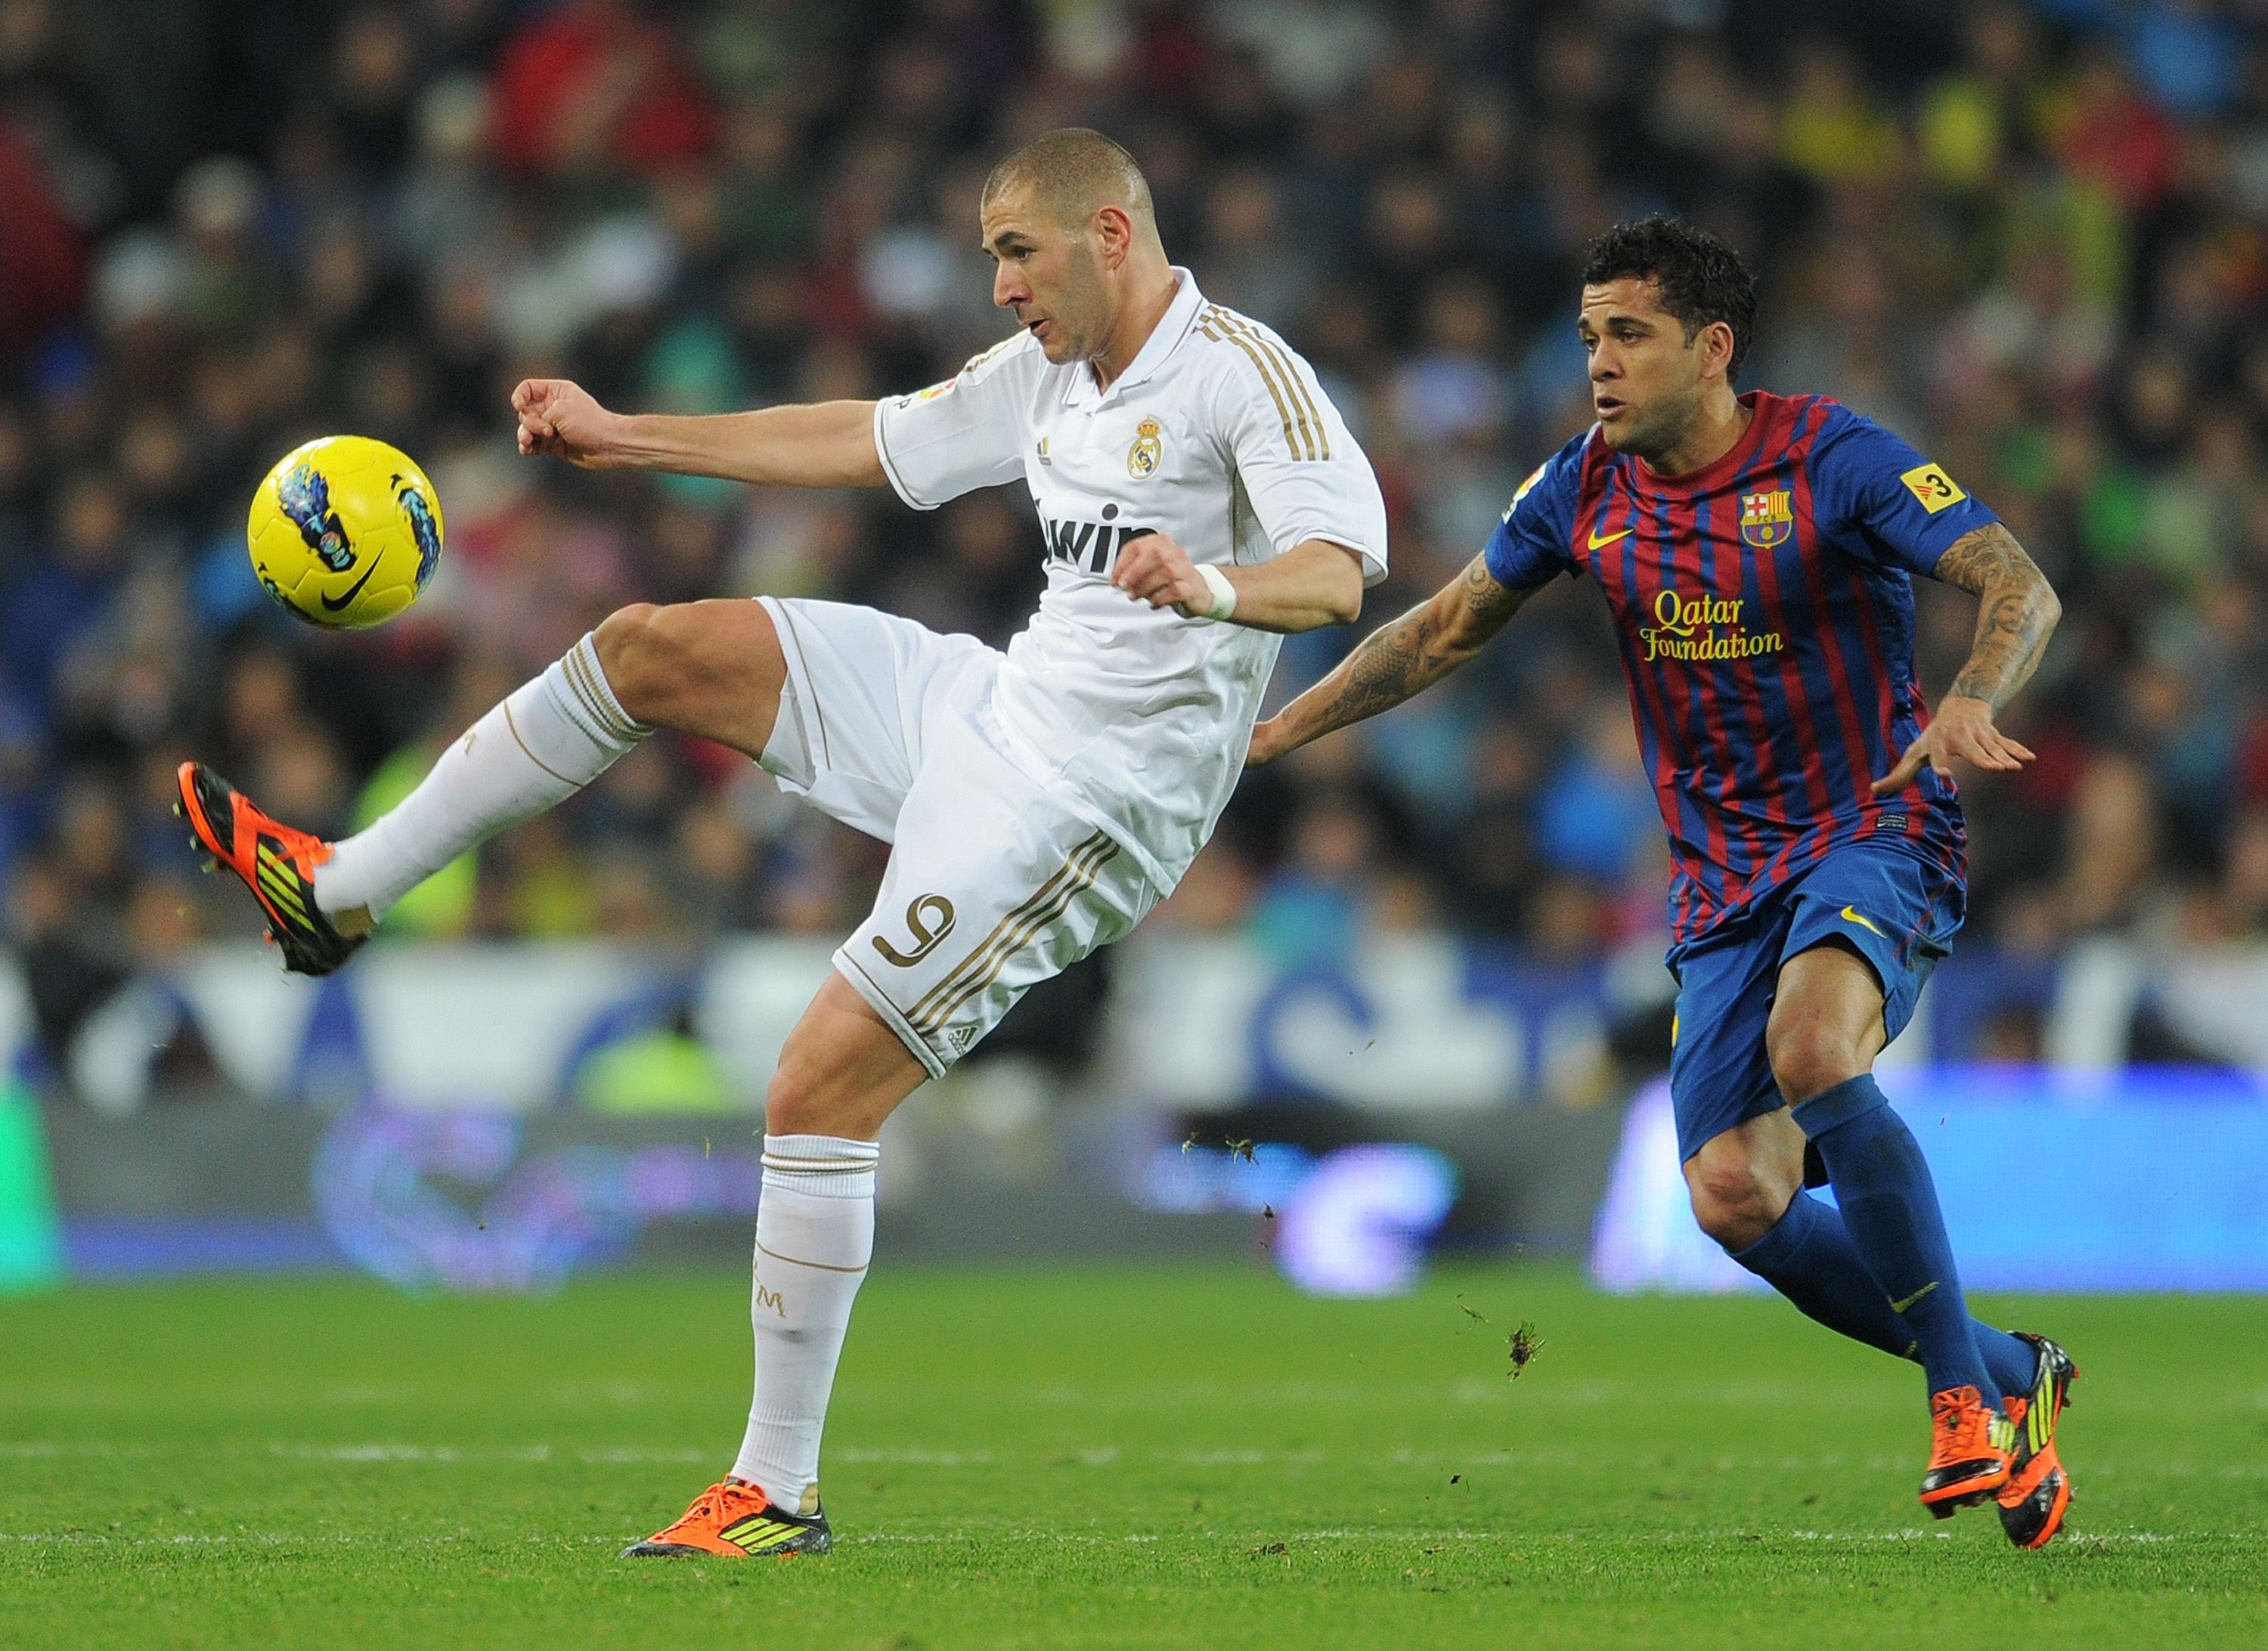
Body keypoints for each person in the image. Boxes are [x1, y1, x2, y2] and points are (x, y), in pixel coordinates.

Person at [175, 128, 1388, 1557]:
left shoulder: (1244, 375)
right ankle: (338, 890)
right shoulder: (1052, 376)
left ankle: (776, 1488)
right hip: (986, 707)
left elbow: (1339, 568)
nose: (998, 288)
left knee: (817, 1082)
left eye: (1017, 253)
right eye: (992, 254)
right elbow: (868, 437)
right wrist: (625, 439)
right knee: (648, 650)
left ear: (1110, 235)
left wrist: (1217, 588)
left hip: (1090, 804)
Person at [1247, 215, 2077, 1548]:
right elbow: (1446, 625)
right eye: (1588, 337)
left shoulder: (1831, 455)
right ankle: (2010, 1375)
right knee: (1732, 1198)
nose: (1599, 364)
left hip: (1873, 830)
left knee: (1818, 1049)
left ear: (1713, 348)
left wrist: (1971, 698)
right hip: (1721, 888)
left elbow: (2015, 583)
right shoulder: (1584, 487)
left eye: (1628, 335)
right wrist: (1285, 727)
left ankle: (1960, 1414)